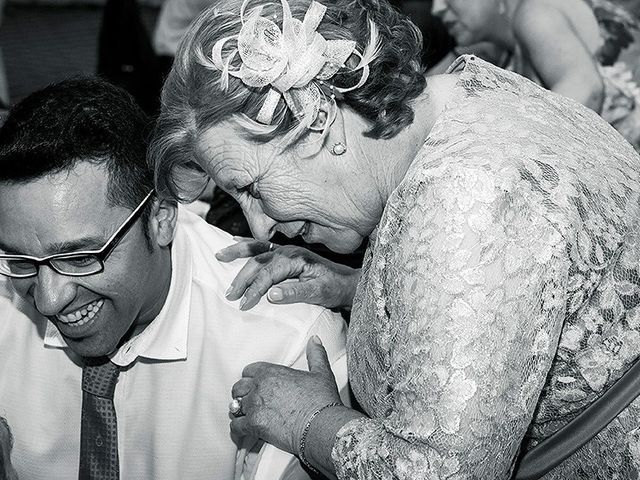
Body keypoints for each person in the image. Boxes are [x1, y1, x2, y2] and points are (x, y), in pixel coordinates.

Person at [150, 0, 640, 478]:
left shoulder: (467, 196)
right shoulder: (470, 92)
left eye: (251, 188)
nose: (260, 226)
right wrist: (361, 286)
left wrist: (308, 421)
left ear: (318, 121)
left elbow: (443, 472)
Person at [0, 77, 348, 480]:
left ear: (162, 216)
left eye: (80, 257)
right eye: (21, 260)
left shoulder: (287, 340)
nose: (48, 299)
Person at [430, 0, 640, 150]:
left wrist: (507, 156)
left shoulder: (534, 10)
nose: (436, 8)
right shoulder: (504, 50)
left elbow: (586, 89)